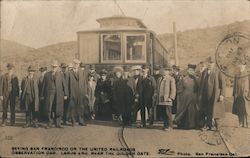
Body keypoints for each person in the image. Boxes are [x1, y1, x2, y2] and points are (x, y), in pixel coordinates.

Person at [199, 57, 226, 130]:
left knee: (216, 110)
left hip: (215, 94)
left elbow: (222, 84)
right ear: (207, 63)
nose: (210, 64)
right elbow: (201, 84)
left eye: (212, 63)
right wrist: (200, 94)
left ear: (214, 64)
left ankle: (218, 126)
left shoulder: (218, 71)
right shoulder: (204, 72)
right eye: (209, 63)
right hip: (206, 94)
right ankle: (208, 125)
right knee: (207, 110)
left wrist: (222, 94)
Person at [41, 60, 68, 128]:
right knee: (49, 108)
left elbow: (64, 85)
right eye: (53, 66)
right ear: (51, 66)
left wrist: (65, 94)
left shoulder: (61, 74)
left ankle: (58, 123)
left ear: (57, 67)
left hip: (59, 94)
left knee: (58, 108)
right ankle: (50, 123)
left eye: (55, 67)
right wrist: (42, 95)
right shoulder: (47, 75)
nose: (54, 68)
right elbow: (43, 86)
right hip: (49, 94)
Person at [174, 64, 199, 129]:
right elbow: (179, 89)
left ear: (194, 71)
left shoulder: (196, 79)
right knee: (184, 111)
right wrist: (180, 95)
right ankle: (183, 124)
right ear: (187, 71)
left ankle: (192, 125)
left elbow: (199, 88)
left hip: (193, 97)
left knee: (192, 111)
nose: (190, 72)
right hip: (185, 97)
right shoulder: (183, 79)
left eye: (192, 70)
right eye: (189, 70)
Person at [68, 59, 88, 126]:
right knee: (72, 107)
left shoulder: (82, 72)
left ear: (79, 65)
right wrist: (68, 93)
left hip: (80, 92)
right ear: (73, 64)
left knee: (81, 107)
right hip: (72, 92)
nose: (76, 65)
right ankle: (73, 121)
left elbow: (85, 82)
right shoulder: (69, 72)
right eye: (75, 64)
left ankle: (81, 120)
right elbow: (67, 83)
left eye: (77, 64)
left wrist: (85, 92)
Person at [156, 65, 176, 131]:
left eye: (166, 71)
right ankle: (165, 125)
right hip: (161, 99)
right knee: (163, 113)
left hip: (167, 99)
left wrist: (171, 97)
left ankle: (170, 126)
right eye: (164, 70)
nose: (164, 72)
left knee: (168, 113)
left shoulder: (171, 79)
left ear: (168, 72)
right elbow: (157, 88)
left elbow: (173, 89)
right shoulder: (159, 79)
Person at [232, 61, 250, 128]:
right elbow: (234, 85)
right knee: (239, 109)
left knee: (247, 110)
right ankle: (240, 123)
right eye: (240, 65)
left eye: (243, 65)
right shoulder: (236, 74)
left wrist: (248, 94)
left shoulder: (248, 74)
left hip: (246, 95)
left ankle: (248, 123)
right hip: (238, 95)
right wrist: (234, 94)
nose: (241, 66)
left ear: (245, 66)